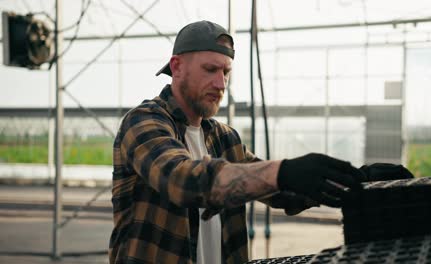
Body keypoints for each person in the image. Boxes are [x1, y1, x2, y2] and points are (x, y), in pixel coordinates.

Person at [108, 20, 413, 264]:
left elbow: (279, 191)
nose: (220, 84)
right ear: (177, 67)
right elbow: (182, 180)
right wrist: (282, 170)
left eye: (226, 72)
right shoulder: (145, 122)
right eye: (210, 70)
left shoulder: (223, 138)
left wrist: (354, 179)